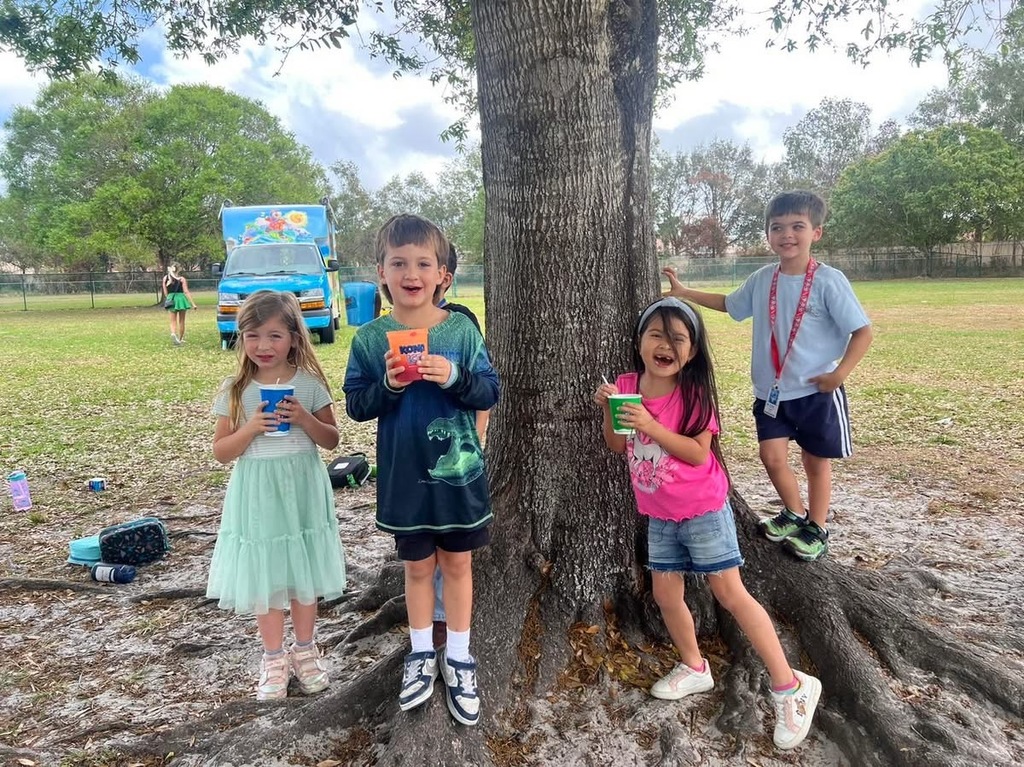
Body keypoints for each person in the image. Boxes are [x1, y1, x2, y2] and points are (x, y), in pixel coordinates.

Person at [594, 296, 821, 751]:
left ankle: (791, 685)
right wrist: (609, 409)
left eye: (677, 339)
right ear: (639, 342)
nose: (665, 345)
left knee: (730, 594)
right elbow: (617, 445)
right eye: (656, 335)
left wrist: (651, 424)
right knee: (665, 594)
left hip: (702, 508)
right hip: (659, 513)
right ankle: (695, 666)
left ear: (692, 350)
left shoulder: (693, 394)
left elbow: (698, 453)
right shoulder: (627, 385)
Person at [343, 214, 499, 727]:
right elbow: (357, 405)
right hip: (403, 477)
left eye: (423, 264)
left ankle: (459, 656)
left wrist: (453, 375)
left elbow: (489, 390)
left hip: (459, 478)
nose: (411, 273)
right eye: (399, 263)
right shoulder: (370, 339)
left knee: (457, 564)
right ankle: (420, 653)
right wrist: (388, 385)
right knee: (415, 568)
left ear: (441, 275)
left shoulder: (460, 330)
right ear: (381, 273)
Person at [662, 190, 873, 562]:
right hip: (771, 392)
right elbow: (729, 304)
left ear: (816, 233)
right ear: (768, 234)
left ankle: (817, 527)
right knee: (771, 456)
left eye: (797, 226)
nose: (787, 235)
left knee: (815, 461)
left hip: (816, 391)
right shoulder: (763, 279)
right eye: (777, 227)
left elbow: (863, 332)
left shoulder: (828, 281)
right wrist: (684, 292)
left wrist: (839, 374)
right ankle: (793, 512)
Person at [206, 290, 347, 701]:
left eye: (274, 335)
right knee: (265, 573)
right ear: (241, 338)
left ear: (293, 338)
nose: (263, 345)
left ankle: (305, 649)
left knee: (304, 571)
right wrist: (250, 428)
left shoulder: (309, 384)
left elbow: (331, 440)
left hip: (301, 488)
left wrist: (303, 418)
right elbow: (221, 452)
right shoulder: (236, 389)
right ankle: (272, 657)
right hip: (258, 493)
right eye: (252, 336)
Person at [432, 243, 491, 648]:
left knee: (453, 540)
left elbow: (482, 384)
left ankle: (444, 619)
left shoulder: (461, 322)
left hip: (460, 439)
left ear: (444, 278)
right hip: (421, 451)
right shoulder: (392, 327)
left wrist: (479, 433)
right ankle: (431, 620)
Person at [162, 263, 197, 345]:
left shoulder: (165, 278)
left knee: (172, 321)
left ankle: (173, 333)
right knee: (181, 321)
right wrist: (193, 304)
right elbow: (186, 291)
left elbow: (165, 292)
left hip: (171, 298)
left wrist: (169, 298)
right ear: (179, 269)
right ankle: (180, 339)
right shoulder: (182, 279)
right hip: (181, 299)